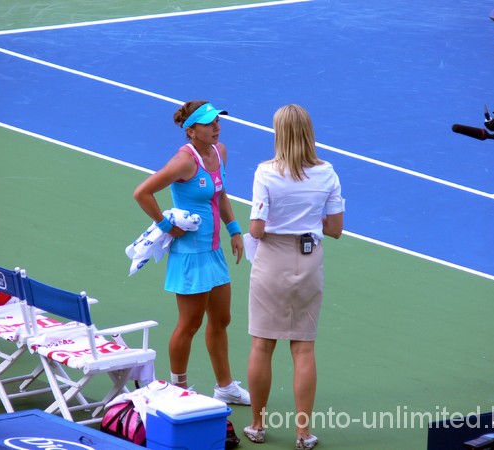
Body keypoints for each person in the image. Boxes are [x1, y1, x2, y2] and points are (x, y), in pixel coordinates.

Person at [133, 100, 250, 405]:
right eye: (210, 123)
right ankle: (177, 390)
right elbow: (142, 192)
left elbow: (220, 194)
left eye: (217, 122)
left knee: (221, 319)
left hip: (213, 252)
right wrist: (166, 225)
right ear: (191, 129)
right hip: (189, 256)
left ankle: (225, 386)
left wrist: (234, 230)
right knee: (190, 323)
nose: (217, 127)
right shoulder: (183, 162)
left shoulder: (219, 152)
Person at [243, 104, 344, 449]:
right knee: (303, 349)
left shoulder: (265, 173)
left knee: (262, 344)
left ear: (279, 134)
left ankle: (257, 425)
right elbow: (335, 228)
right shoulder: (327, 172)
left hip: (272, 260)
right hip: (309, 261)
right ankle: (303, 434)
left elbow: (256, 229)